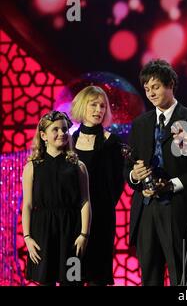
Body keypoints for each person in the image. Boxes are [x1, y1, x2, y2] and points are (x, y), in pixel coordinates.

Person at [125, 59, 187, 286]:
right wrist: (134, 175)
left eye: (156, 87)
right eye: (147, 89)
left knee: (183, 276)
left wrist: (172, 185)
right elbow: (127, 169)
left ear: (170, 84)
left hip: (179, 209)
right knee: (149, 274)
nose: (151, 93)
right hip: (146, 210)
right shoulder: (140, 123)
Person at [21, 110, 91, 286]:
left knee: (72, 280)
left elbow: (85, 201)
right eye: (56, 130)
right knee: (46, 281)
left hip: (71, 232)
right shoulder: (32, 167)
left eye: (65, 129)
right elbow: (27, 205)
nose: (62, 133)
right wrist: (27, 237)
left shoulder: (78, 166)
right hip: (43, 233)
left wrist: (84, 234)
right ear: (43, 135)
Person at [70, 86, 125, 286]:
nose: (99, 110)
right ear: (83, 106)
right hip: (71, 222)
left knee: (97, 279)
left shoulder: (113, 143)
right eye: (94, 105)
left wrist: (101, 206)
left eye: (102, 106)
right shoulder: (68, 142)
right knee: (72, 276)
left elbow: (118, 183)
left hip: (101, 220)